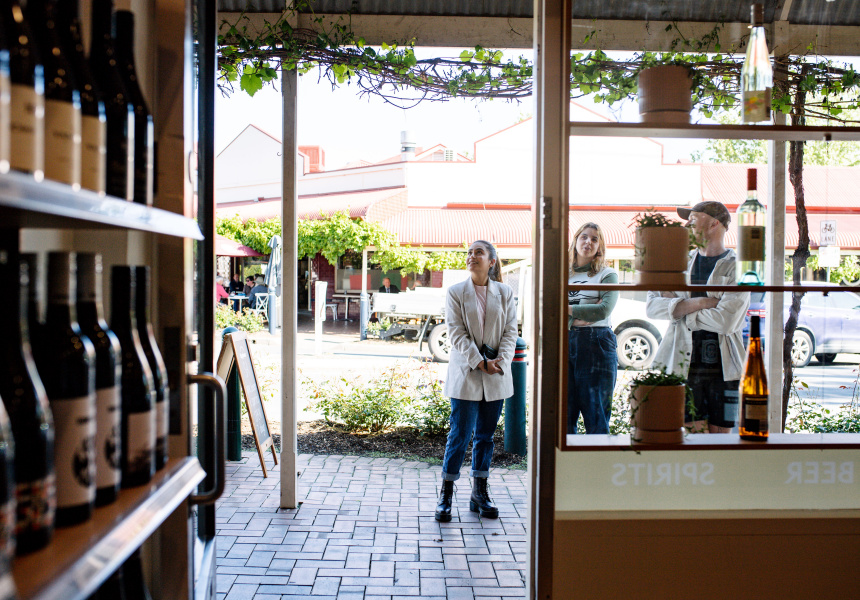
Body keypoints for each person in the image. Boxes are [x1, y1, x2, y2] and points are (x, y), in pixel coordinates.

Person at [646, 201, 750, 433]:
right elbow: (652, 306)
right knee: (693, 438)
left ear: (714, 223)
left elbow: (727, 322)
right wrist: (702, 303)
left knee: (721, 439)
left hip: (724, 371)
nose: (688, 222)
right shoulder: (677, 263)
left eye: (694, 216)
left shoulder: (737, 268)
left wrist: (681, 311)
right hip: (684, 364)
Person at [435, 240, 517, 522]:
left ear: (491, 261)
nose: (471, 256)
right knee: (459, 435)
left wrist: (500, 363)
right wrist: (480, 361)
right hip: (466, 374)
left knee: (485, 437)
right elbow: (455, 333)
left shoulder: (505, 293)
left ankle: (479, 493)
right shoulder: (456, 292)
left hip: (496, 375)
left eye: (478, 253)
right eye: (469, 253)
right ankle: (446, 494)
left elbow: (510, 332)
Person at [567, 222, 619, 435]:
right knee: (563, 416)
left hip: (597, 343)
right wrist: (580, 314)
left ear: (600, 246)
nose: (588, 242)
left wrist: (567, 309)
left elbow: (603, 310)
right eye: (584, 237)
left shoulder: (607, 274)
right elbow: (548, 306)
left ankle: (596, 468)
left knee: (596, 415)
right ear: (575, 241)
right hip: (564, 342)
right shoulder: (562, 273)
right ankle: (568, 469)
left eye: (594, 239)